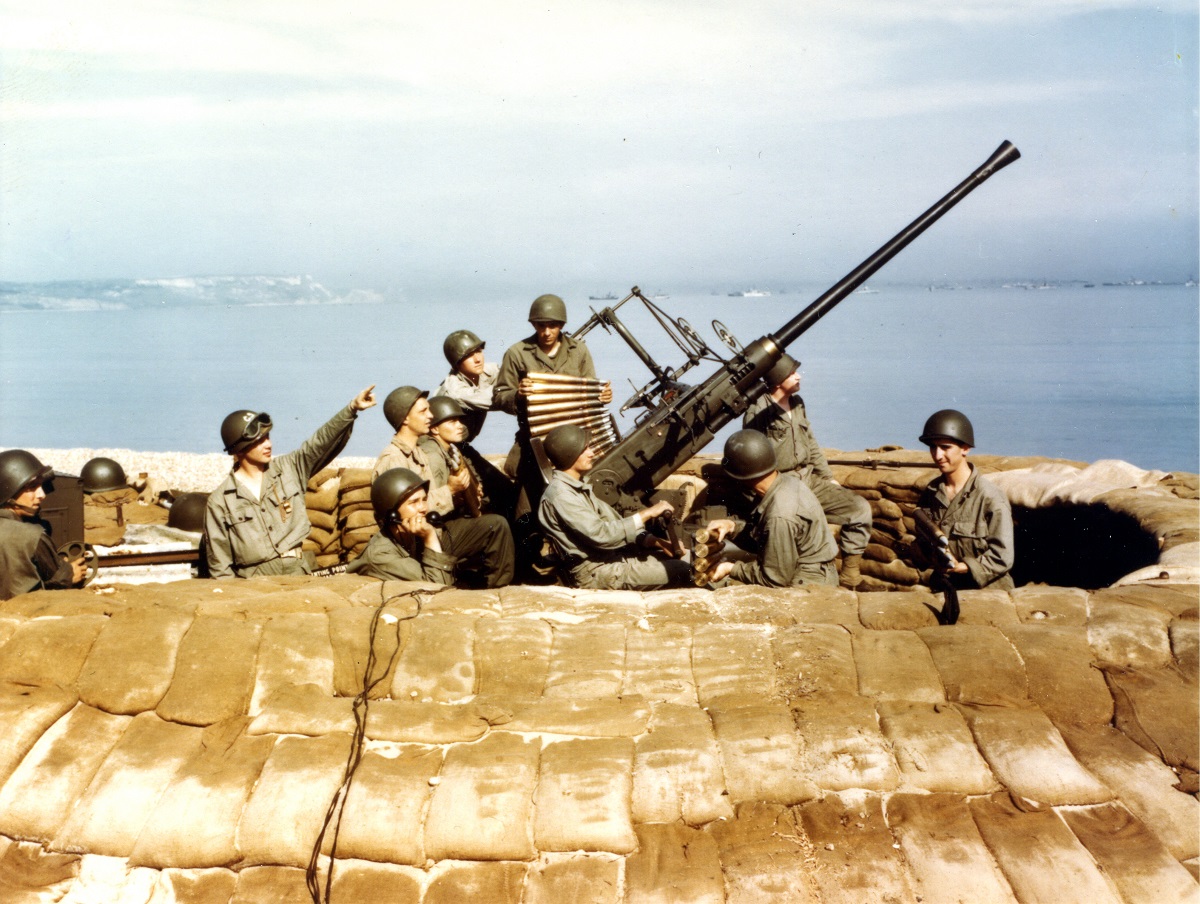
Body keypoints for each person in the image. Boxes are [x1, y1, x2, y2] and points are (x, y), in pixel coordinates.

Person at [205, 385, 377, 579]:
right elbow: (220, 566)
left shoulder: (289, 468)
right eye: (259, 441)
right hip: (253, 582)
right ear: (240, 449)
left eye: (267, 437)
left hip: (297, 571)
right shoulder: (220, 501)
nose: (268, 444)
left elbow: (319, 444)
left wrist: (351, 409)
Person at [743, 354, 872, 588]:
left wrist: (828, 478)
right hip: (782, 485)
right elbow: (751, 456)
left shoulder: (797, 403)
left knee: (860, 509)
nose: (798, 376)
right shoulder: (758, 411)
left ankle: (851, 578)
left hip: (808, 479)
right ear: (778, 378)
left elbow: (810, 443)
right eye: (792, 373)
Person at [375, 386, 515, 587]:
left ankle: (493, 586)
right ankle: (491, 590)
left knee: (495, 524)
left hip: (430, 532)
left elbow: (426, 499)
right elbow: (405, 514)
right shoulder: (394, 459)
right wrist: (450, 490)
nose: (430, 416)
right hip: (412, 543)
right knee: (495, 525)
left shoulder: (418, 454)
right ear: (405, 418)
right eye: (423, 411)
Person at [493, 294, 613, 518]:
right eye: (541, 326)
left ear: (561, 325)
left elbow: (590, 392)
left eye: (552, 326)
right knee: (527, 512)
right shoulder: (517, 353)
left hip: (574, 444)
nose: (546, 332)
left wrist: (603, 396)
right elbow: (500, 396)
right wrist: (519, 395)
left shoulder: (579, 351)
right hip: (535, 443)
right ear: (533, 325)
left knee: (580, 508)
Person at [537, 424, 690, 590]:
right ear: (569, 454)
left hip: (611, 560)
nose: (592, 453)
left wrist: (656, 542)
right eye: (584, 449)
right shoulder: (562, 496)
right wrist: (647, 514)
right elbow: (601, 534)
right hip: (596, 573)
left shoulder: (577, 487)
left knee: (686, 558)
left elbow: (614, 522)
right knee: (684, 569)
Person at [704, 429, 839, 588]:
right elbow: (767, 536)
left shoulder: (779, 515)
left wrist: (731, 568)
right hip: (814, 572)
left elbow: (774, 579)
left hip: (808, 585)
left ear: (741, 478)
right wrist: (733, 527)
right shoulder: (789, 483)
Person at [914, 409, 1014, 591]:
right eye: (933, 447)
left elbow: (1002, 556)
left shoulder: (990, 497)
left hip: (988, 592)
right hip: (946, 587)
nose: (937, 456)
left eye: (945, 447)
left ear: (965, 448)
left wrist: (966, 567)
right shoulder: (931, 493)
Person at [346, 468, 459, 585]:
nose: (424, 508)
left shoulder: (412, 536)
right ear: (392, 514)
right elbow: (437, 587)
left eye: (424, 500)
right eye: (414, 502)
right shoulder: (380, 555)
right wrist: (430, 538)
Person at [0, 450, 88, 600]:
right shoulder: (32, 536)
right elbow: (59, 578)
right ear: (10, 493)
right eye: (31, 487)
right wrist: (71, 573)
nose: (41, 494)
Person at [433, 329, 499, 442]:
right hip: (440, 446)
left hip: (462, 443)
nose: (478, 359)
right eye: (469, 355)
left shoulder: (486, 371)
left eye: (479, 351)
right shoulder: (454, 389)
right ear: (456, 363)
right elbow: (495, 399)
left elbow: (509, 375)